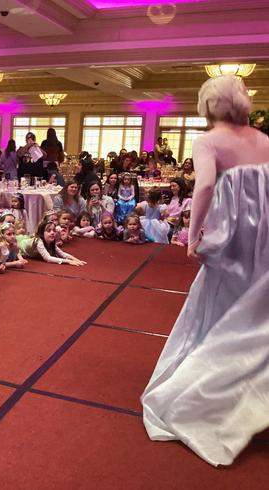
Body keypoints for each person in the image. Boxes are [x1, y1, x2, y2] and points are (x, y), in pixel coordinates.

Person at [141, 75, 269, 466]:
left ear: (210, 105)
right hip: (264, 238)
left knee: (217, 312)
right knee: (255, 315)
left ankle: (209, 389)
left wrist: (193, 235)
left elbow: (205, 186)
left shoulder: (208, 141)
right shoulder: (264, 140)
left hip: (232, 238)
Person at [20, 218, 86, 266]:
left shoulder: (51, 240)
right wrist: (68, 261)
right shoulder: (38, 241)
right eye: (49, 231)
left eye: (54, 230)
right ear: (42, 233)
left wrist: (75, 259)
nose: (52, 233)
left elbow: (62, 253)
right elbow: (48, 258)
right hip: (21, 244)